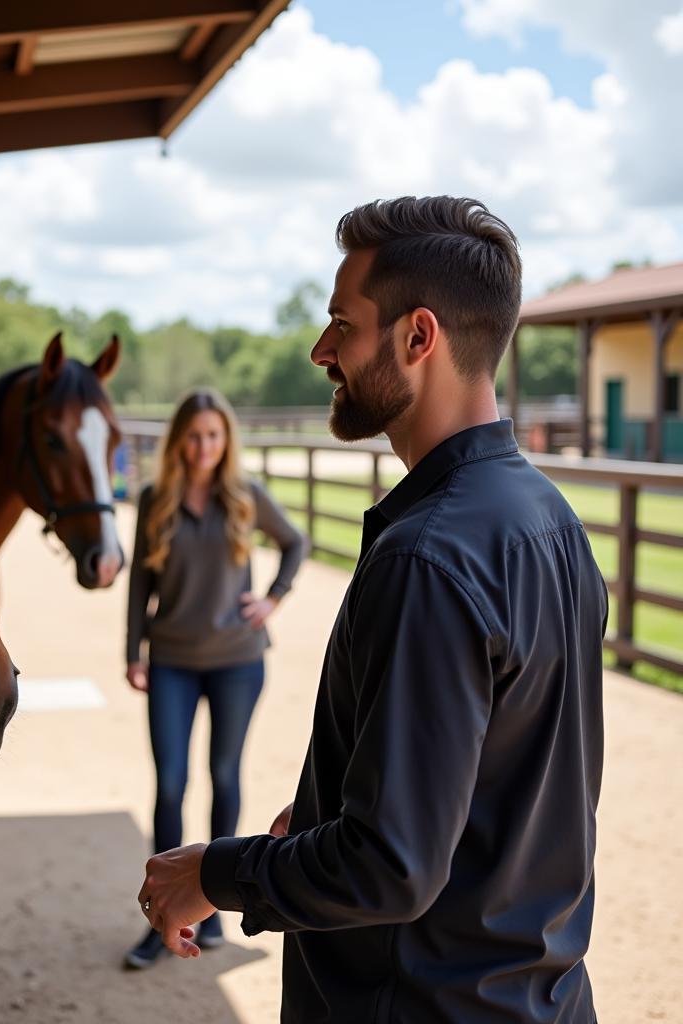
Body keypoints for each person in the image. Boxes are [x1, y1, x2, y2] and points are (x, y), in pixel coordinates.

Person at [135, 197, 607, 1023]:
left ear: (417, 337)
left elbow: (389, 865)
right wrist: (323, 811)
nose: (322, 350)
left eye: (341, 325)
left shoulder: (425, 556)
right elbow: (495, 776)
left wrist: (213, 873)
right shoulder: (550, 520)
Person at [123, 388, 308, 969]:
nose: (203, 446)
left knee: (224, 774)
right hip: (173, 659)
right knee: (171, 783)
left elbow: (295, 543)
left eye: (214, 435)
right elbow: (138, 589)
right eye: (193, 435)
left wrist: (273, 599)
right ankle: (160, 917)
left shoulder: (245, 497)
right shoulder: (155, 498)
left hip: (237, 660)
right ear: (178, 439)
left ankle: (215, 906)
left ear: (226, 440)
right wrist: (132, 651)